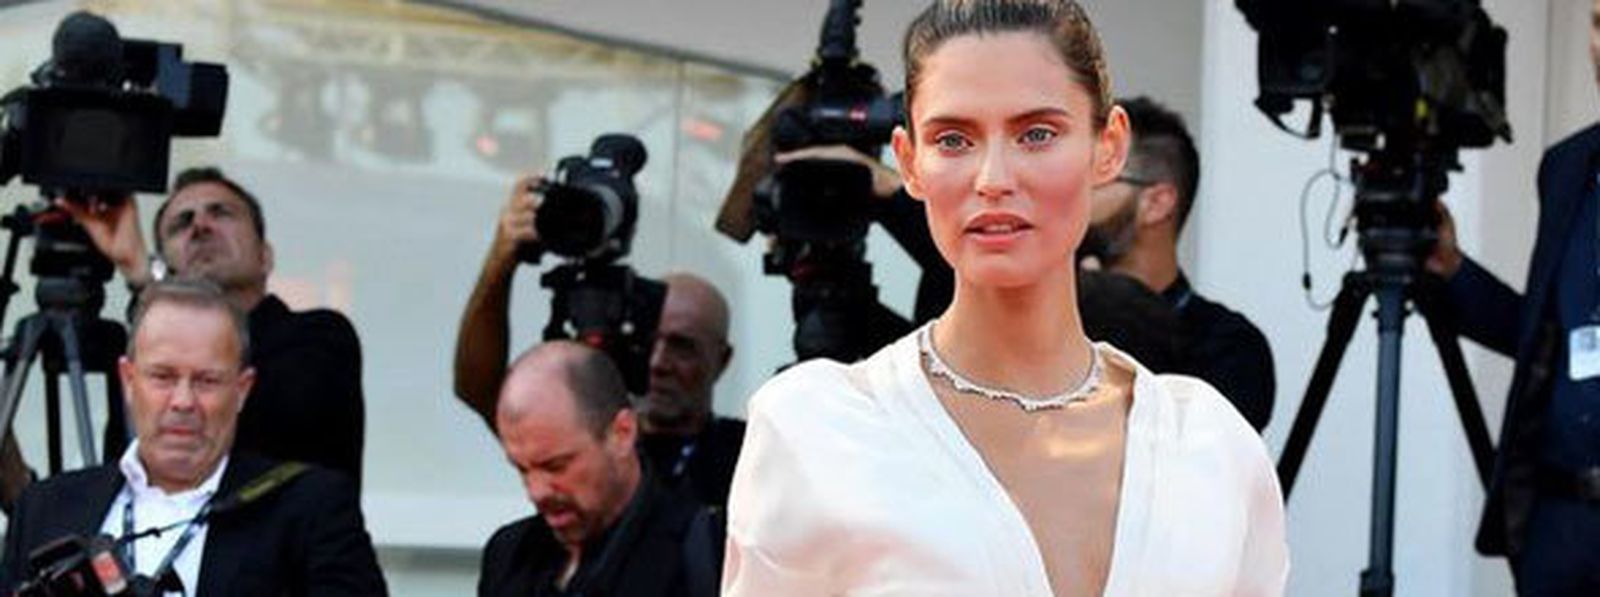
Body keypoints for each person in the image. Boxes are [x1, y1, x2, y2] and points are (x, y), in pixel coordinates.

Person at [722, 1, 1288, 595]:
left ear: (1108, 146)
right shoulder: (816, 428)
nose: (994, 176)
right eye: (953, 139)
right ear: (910, 162)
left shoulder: (1209, 445)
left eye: (1037, 134)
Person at [0, 278, 386, 594]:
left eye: (206, 380)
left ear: (242, 390)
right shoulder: (45, 508)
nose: (183, 401)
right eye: (163, 377)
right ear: (129, 381)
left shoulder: (309, 508)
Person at [1428, 1, 1600, 590]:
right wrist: (1453, 271)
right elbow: (1545, 334)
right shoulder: (1567, 167)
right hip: (1561, 519)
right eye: (1599, 23)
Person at [454, 180, 743, 508]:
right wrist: (501, 261)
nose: (659, 362)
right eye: (649, 340)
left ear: (722, 360)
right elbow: (480, 390)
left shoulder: (749, 455)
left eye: (682, 346)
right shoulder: (588, 441)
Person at [1083, 96, 1275, 430]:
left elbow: (1190, 463)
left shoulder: (1230, 347)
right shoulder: (1044, 315)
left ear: (1156, 203)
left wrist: (1102, 306)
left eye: (1097, 178)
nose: (1070, 194)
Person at [479, 341, 718, 597]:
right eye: (522, 470)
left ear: (622, 434)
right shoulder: (509, 555)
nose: (537, 492)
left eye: (556, 466)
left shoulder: (699, 552)